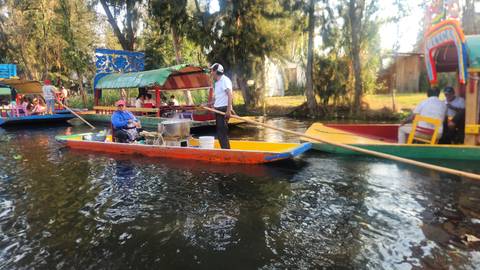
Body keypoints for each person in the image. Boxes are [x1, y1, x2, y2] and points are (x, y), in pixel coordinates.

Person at [210, 63, 233, 149]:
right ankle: (226, 150)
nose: (211, 72)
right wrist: (208, 104)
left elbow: (230, 94)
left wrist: (228, 110)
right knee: (220, 134)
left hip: (223, 110)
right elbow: (217, 98)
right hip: (218, 110)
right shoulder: (218, 82)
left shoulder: (225, 80)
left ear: (216, 71)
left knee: (222, 134)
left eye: (212, 70)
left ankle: (227, 152)